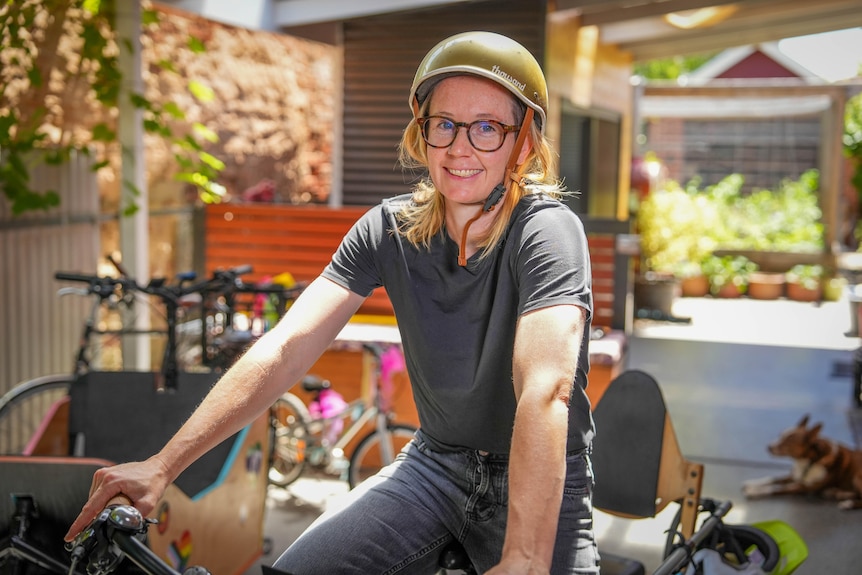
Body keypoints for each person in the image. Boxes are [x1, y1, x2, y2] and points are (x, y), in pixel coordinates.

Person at [65, 31, 598, 574]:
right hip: (435, 465)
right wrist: (161, 466)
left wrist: (526, 559)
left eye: (487, 128)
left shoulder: (547, 232)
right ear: (424, 134)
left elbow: (546, 389)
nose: (460, 147)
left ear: (524, 142)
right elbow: (286, 347)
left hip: (539, 479)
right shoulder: (388, 230)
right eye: (445, 125)